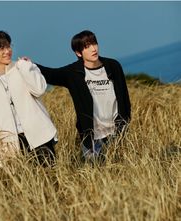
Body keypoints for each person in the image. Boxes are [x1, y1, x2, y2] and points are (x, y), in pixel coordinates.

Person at [36, 30, 131, 162]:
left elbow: (124, 97)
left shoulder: (113, 66)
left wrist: (124, 124)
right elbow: (51, 74)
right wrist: (30, 65)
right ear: (78, 53)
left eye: (94, 44)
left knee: (122, 170)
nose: (93, 49)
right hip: (92, 136)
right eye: (87, 47)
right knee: (96, 173)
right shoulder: (73, 73)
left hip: (117, 132)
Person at [0, 31, 57, 168]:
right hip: (11, 143)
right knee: (22, 184)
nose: (7, 51)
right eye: (1, 48)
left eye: (8, 46)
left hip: (39, 135)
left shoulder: (23, 67)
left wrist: (26, 68)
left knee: (50, 179)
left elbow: (39, 90)